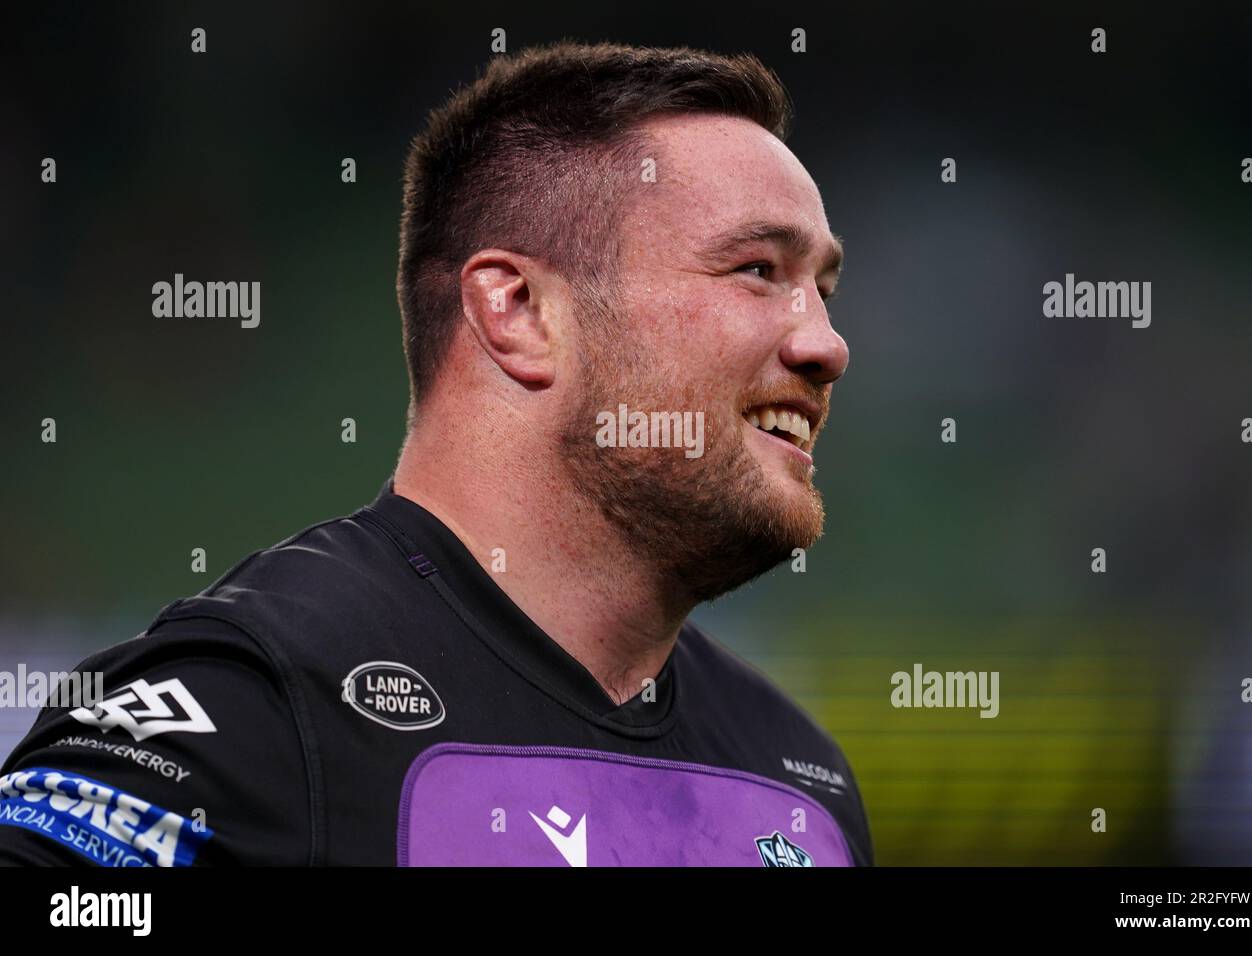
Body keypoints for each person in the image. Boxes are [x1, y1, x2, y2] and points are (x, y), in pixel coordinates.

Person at [0, 41, 868, 867]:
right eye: (758, 270)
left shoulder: (799, 776)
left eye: (822, 290)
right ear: (519, 311)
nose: (827, 345)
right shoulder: (255, 707)